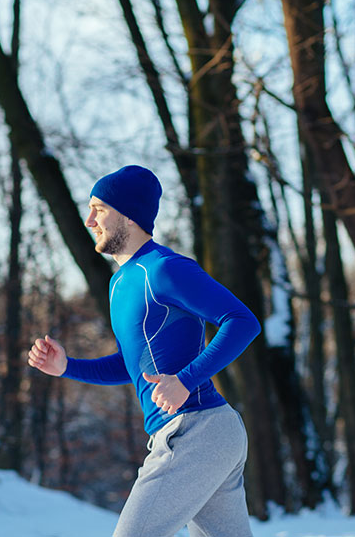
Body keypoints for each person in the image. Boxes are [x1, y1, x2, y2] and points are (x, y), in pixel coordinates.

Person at [27, 165, 260, 537]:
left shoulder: (165, 269)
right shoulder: (120, 283)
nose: (89, 220)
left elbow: (243, 321)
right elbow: (131, 364)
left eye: (98, 208)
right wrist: (67, 367)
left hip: (195, 428)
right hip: (208, 433)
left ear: (129, 215)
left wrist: (185, 381)